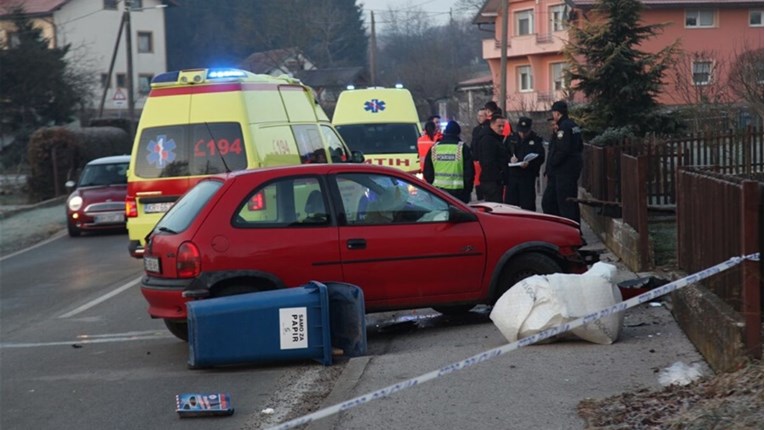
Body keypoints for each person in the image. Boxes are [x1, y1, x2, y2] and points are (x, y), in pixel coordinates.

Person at [542, 100, 583, 224]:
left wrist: (552, 164)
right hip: (568, 171)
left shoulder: (564, 128)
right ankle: (562, 228)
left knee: (565, 204)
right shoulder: (573, 125)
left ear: (557, 113)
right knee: (558, 201)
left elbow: (562, 150)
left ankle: (569, 231)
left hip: (563, 172)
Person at [423, 121, 474, 203]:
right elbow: (469, 172)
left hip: (438, 192)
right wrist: (467, 191)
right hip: (459, 193)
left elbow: (427, 171)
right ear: (458, 133)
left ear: (445, 132)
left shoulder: (435, 148)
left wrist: (432, 186)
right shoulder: (462, 148)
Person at [504, 116, 546, 211]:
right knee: (511, 206)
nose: (522, 134)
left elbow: (540, 157)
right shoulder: (511, 138)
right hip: (512, 177)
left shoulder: (536, 140)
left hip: (527, 177)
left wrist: (530, 164)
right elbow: (503, 153)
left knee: (527, 205)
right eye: (521, 131)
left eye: (525, 132)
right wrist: (510, 158)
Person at [477, 113, 509, 203]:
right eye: (499, 126)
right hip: (492, 181)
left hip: (493, 180)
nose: (502, 129)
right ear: (492, 125)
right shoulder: (489, 140)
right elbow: (488, 162)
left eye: (503, 126)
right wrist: (500, 173)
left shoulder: (494, 138)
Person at [470, 108, 488, 200]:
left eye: (481, 116)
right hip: (476, 161)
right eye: (478, 116)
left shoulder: (489, 129)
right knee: (478, 185)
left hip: (485, 161)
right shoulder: (476, 130)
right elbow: (473, 144)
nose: (479, 118)